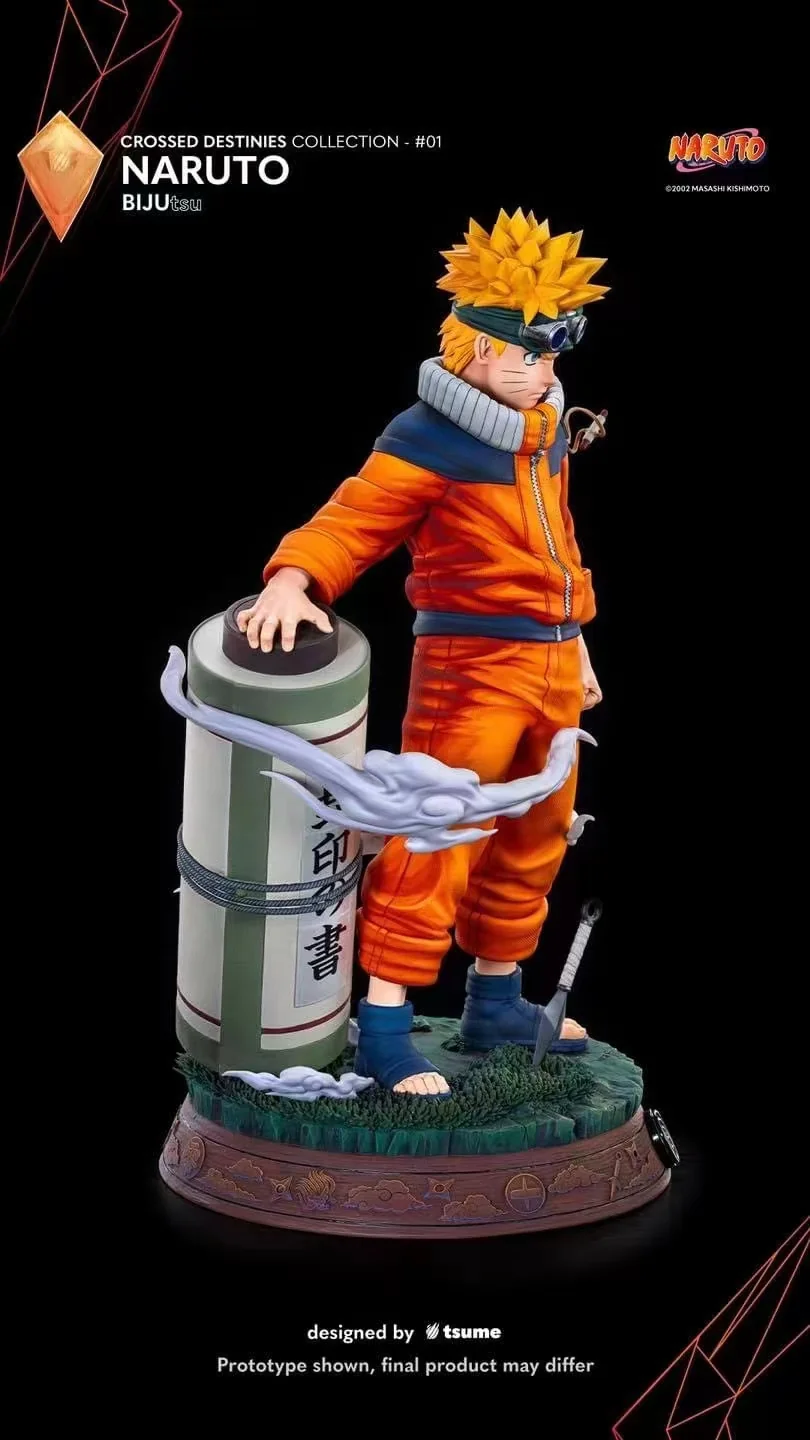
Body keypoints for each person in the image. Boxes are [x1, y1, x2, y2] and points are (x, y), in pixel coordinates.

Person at [239, 208, 607, 1096]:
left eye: (556, 352)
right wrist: (294, 578)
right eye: (530, 353)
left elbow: (558, 547)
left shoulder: (545, 433)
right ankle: (385, 1024)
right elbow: (354, 518)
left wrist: (580, 645)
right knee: (436, 832)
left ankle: (495, 1001)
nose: (545, 371)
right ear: (476, 349)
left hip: (554, 664)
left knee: (536, 834)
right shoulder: (427, 439)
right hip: (471, 671)